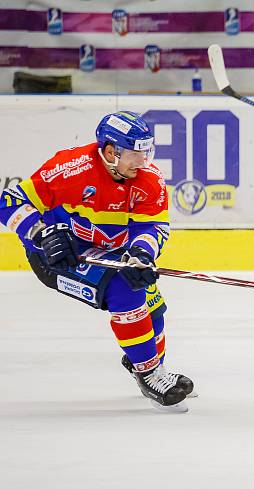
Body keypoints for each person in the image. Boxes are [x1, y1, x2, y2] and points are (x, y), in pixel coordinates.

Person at [0, 111, 193, 412]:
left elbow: (151, 227)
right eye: (135, 154)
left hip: (108, 254)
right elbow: (8, 202)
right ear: (110, 152)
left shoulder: (149, 180)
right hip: (59, 257)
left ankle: (148, 365)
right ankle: (148, 371)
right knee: (124, 292)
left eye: (146, 152)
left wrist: (141, 255)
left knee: (151, 301)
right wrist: (40, 235)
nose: (143, 162)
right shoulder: (69, 169)